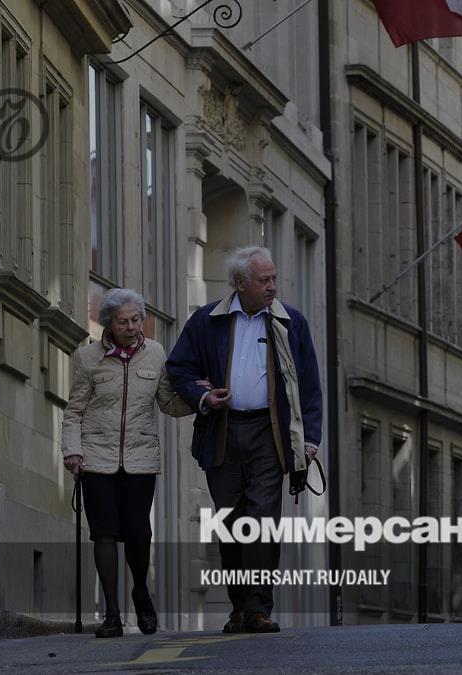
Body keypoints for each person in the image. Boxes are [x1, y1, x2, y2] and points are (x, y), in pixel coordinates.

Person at [166, 246, 323, 634]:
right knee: (232, 522)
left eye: (274, 279)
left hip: (270, 434)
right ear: (240, 284)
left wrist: (310, 439)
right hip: (222, 432)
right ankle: (239, 606)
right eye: (264, 280)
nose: (272, 287)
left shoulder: (292, 323)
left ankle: (257, 608)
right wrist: (202, 396)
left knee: (263, 521)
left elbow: (310, 388)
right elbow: (178, 368)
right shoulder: (207, 321)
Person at [62, 288, 195, 638]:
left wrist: (202, 398)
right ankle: (111, 613)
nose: (133, 327)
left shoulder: (156, 354)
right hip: (96, 458)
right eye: (124, 322)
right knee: (103, 534)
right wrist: (72, 451)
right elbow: (74, 410)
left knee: (138, 533)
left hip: (140, 458)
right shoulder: (87, 358)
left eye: (137, 319)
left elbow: (167, 401)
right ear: (109, 323)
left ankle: (140, 590)